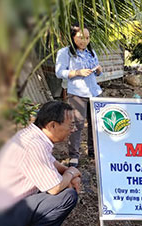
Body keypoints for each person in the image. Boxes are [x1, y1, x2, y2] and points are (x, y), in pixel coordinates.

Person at [0, 101, 81, 226]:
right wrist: (72, 172)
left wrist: (69, 172)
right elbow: (55, 188)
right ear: (52, 125)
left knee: (64, 184)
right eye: (70, 125)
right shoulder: (34, 145)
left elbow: (54, 165)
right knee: (66, 196)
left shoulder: (33, 136)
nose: (74, 129)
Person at [55, 23, 103, 167]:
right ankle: (74, 156)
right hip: (77, 93)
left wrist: (99, 69)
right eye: (81, 38)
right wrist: (77, 72)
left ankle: (93, 152)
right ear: (72, 37)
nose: (85, 41)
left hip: (94, 92)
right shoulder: (65, 52)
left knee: (95, 123)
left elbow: (98, 72)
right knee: (77, 124)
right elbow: (59, 72)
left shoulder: (90, 52)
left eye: (87, 38)